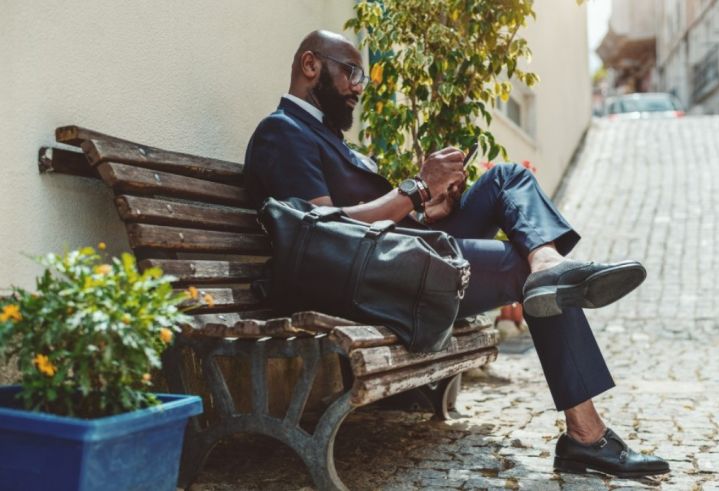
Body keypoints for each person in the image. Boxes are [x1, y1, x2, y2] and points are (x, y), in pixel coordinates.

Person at [244, 30, 669, 479]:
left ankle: (546, 260)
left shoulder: (326, 136)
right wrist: (416, 187)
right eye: (351, 72)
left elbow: (374, 222)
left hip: (398, 259)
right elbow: (324, 234)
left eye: (361, 77)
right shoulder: (283, 132)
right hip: (366, 285)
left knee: (506, 179)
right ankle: (586, 436)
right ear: (311, 65)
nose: (358, 86)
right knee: (525, 273)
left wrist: (428, 211)